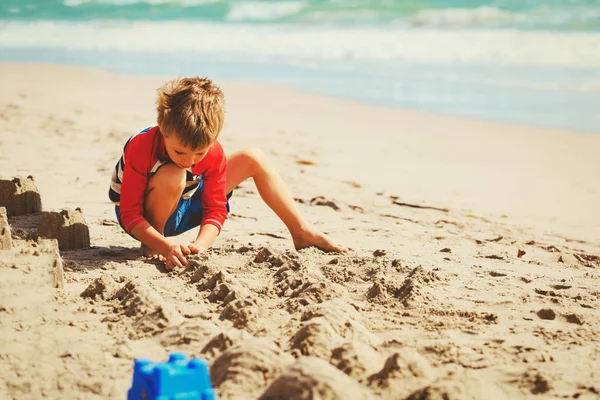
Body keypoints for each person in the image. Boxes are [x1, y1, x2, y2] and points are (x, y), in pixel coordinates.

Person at [109, 76, 346, 270]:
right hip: (144, 218)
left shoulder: (212, 152)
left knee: (253, 158)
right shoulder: (142, 146)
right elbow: (129, 212)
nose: (189, 161)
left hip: (185, 202)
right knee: (174, 174)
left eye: (199, 153)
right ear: (162, 130)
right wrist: (165, 246)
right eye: (180, 151)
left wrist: (199, 246)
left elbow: (215, 209)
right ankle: (153, 245)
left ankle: (301, 231)